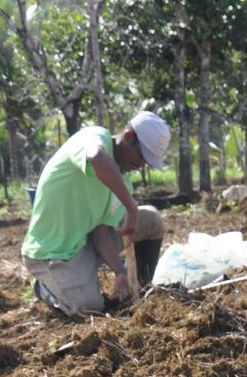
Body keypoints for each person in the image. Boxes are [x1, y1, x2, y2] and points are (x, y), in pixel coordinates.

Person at [21, 111, 171, 318]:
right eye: (142, 155)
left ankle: (137, 290)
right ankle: (43, 287)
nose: (143, 164)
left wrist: (120, 272)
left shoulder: (123, 180)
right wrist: (131, 207)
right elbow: (96, 157)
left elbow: (100, 231)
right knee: (88, 308)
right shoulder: (93, 137)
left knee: (151, 220)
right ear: (128, 137)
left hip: (84, 243)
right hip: (52, 251)